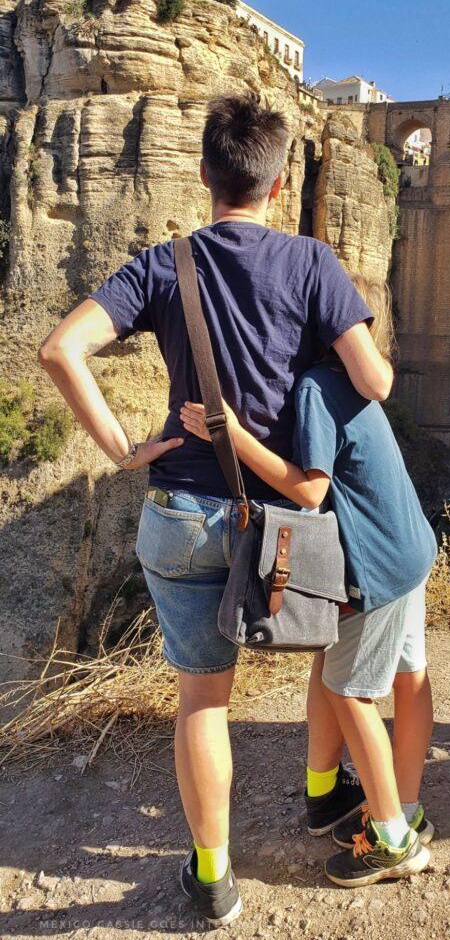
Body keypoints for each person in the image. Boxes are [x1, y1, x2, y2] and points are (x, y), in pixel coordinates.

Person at [38, 95, 393, 927]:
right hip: (286, 524)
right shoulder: (311, 263)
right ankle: (323, 792)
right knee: (325, 659)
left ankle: (214, 876)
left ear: (205, 175)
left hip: (183, 510)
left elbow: (61, 349)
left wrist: (125, 449)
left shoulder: (165, 266)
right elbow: (374, 382)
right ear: (277, 186)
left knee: (203, 700)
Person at [181, 273, 438, 888]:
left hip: (377, 564)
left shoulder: (314, 391)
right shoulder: (347, 381)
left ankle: (393, 840)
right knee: (403, 675)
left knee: (350, 691)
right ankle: (393, 806)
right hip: (411, 545)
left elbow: (311, 489)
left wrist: (232, 436)